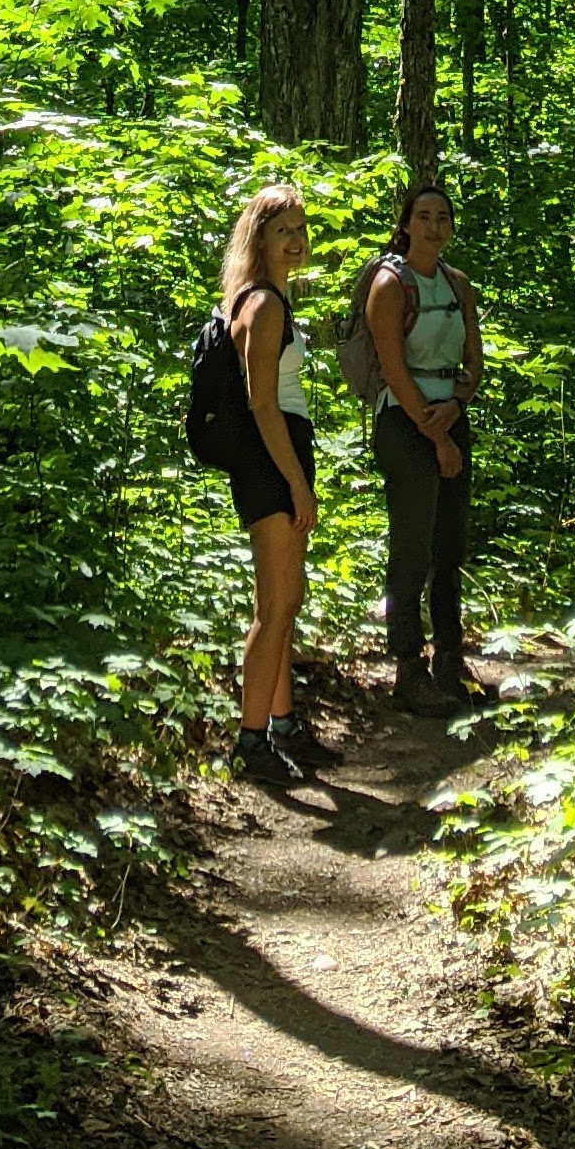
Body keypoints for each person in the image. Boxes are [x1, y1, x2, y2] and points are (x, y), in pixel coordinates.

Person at [219, 180, 340, 789]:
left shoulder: (265, 299)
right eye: (281, 230)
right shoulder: (263, 306)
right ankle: (250, 740)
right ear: (258, 237)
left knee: (286, 600)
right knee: (274, 607)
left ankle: (284, 725)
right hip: (273, 457)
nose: (294, 241)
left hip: (282, 454)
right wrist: (297, 483)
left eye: (299, 229)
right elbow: (262, 404)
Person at [363, 183, 485, 713]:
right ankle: (407, 670)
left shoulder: (459, 285)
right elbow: (392, 366)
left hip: (449, 419)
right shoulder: (391, 285)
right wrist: (435, 435)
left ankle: (450, 663)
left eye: (443, 217)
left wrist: (455, 409)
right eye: (424, 216)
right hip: (404, 424)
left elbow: (474, 361)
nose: (435, 226)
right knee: (411, 548)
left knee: (450, 547)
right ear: (406, 224)